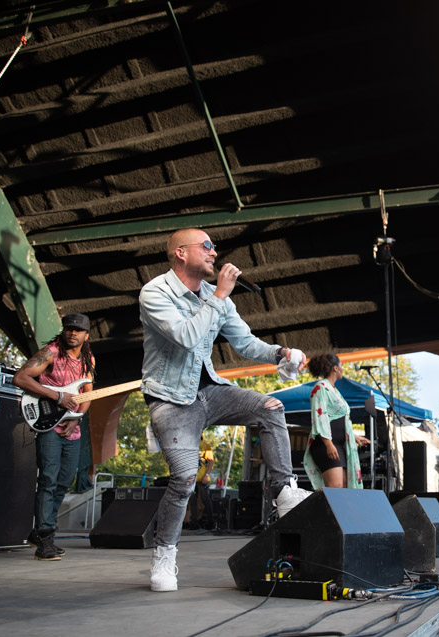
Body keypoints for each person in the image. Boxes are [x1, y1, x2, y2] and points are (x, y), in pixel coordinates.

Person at [139, 228, 312, 592]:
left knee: (270, 406)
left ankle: (284, 491)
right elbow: (185, 337)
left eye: (214, 246)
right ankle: (164, 554)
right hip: (171, 399)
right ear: (180, 253)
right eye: (206, 246)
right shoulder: (155, 292)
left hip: (210, 392)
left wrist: (279, 353)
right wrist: (218, 295)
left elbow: (244, 342)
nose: (214, 252)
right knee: (185, 479)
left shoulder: (215, 297)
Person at [14, 312, 95, 562]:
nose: (72, 333)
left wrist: (76, 418)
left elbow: (87, 393)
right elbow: (21, 377)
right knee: (48, 480)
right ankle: (46, 539)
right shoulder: (50, 352)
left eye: (78, 330)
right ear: (64, 331)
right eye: (69, 328)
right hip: (48, 425)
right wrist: (57, 396)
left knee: (63, 482)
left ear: (86, 335)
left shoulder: (88, 359)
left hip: (73, 428)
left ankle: (39, 532)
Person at [304, 353, 369, 489]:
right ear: (335, 368)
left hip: (339, 444)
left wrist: (355, 437)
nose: (342, 368)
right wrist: (328, 443)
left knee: (344, 486)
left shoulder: (334, 390)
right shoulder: (321, 387)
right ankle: (309, 508)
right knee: (335, 486)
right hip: (326, 442)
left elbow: (339, 418)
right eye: (341, 365)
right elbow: (319, 416)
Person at [186, 434, 215, 530]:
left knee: (205, 499)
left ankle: (210, 522)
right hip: (191, 478)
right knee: (192, 501)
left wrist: (207, 475)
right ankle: (194, 523)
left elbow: (211, 461)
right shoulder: (189, 446)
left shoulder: (205, 446)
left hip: (202, 478)